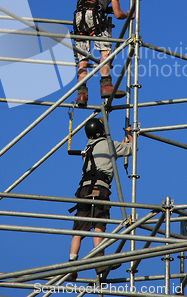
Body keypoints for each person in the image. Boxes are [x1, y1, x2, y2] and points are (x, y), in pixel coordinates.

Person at [68, 118, 132, 279]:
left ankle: (71, 265)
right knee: (98, 226)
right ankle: (99, 262)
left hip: (83, 190)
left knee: (79, 230)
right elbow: (131, 149)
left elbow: (110, 151)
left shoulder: (87, 147)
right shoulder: (109, 144)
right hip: (100, 189)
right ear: (101, 131)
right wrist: (130, 135)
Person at [73, 0, 132, 106]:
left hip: (79, 18)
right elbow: (118, 14)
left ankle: (81, 94)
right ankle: (106, 86)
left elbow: (93, 1)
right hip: (95, 18)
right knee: (104, 50)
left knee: (83, 57)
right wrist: (129, 14)